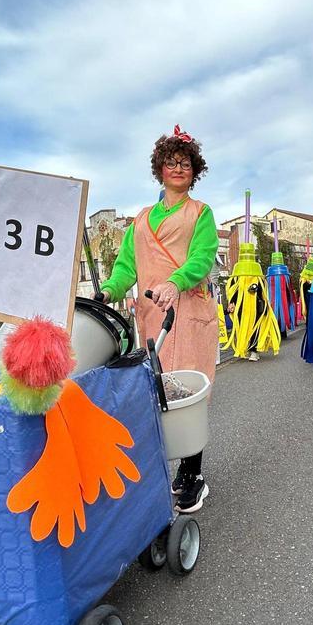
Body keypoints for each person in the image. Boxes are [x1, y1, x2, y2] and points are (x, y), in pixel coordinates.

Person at [97, 125, 219, 514]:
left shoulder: (201, 213)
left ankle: (193, 474)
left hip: (190, 310)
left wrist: (175, 280)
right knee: (159, 393)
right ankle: (167, 469)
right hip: (153, 317)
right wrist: (108, 292)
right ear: (160, 170)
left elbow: (201, 259)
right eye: (171, 163)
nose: (178, 168)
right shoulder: (141, 220)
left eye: (185, 163)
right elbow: (125, 267)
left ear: (194, 171)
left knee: (190, 390)